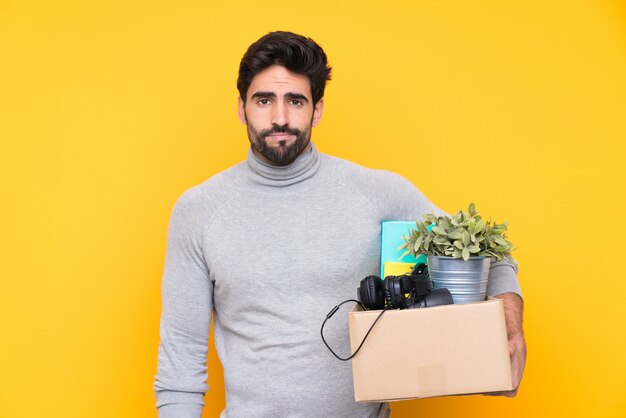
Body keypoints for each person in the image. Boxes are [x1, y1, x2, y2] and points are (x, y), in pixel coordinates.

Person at [154, 31, 526, 418]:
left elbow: (490, 253)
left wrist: (511, 330)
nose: (279, 118)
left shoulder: (377, 192)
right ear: (241, 107)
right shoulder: (199, 211)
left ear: (317, 110)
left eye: (295, 101)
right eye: (264, 100)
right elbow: (180, 360)